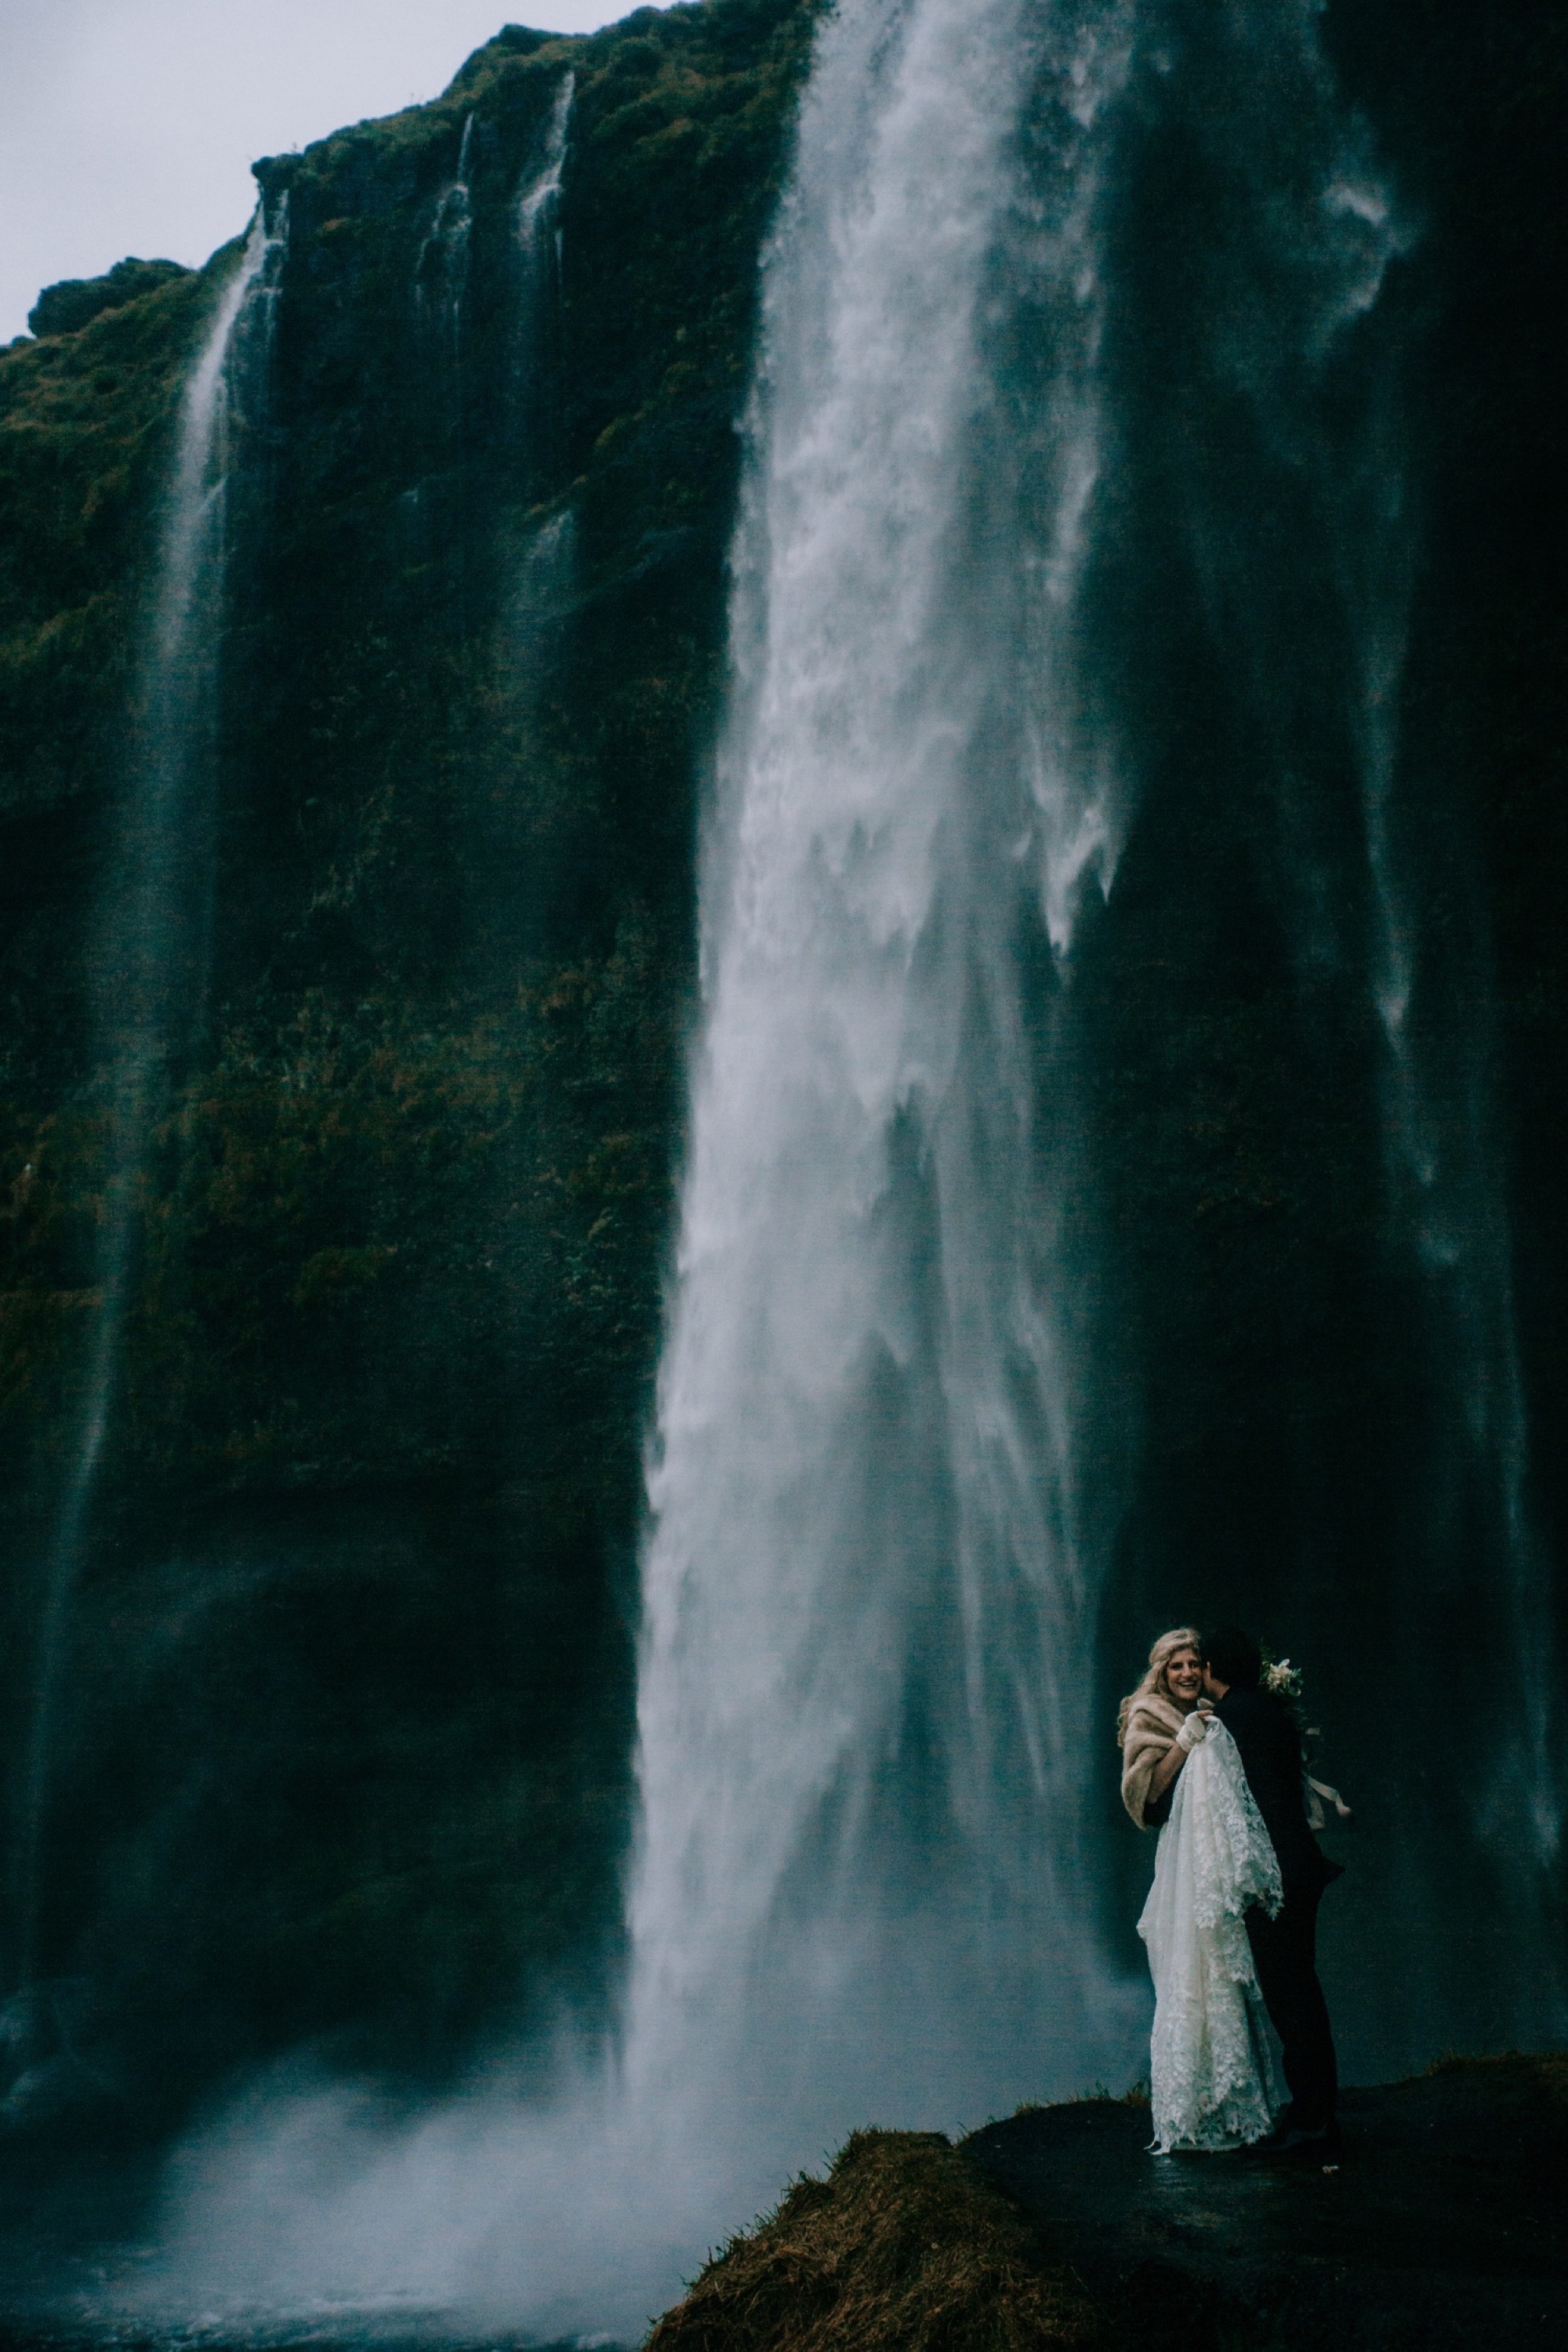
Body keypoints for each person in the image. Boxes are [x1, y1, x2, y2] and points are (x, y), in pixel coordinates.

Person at [1119, 1629, 1283, 2153]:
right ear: (1161, 1672)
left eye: (1194, 1664)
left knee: (1221, 1969)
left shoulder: (1219, 1711)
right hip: (1182, 1859)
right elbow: (1146, 1798)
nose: (1188, 1674)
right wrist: (1186, 1743)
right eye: (1177, 1667)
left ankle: (1232, 2101)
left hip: (1213, 1858)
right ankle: (1191, 2106)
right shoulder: (1149, 1717)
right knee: (1188, 1968)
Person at [1200, 1624, 1341, 2157]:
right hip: (1301, 1865)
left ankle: (1312, 2122)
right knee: (1303, 1990)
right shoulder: (1272, 1712)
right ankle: (1315, 2111)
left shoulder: (1227, 1723)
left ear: (1211, 1670)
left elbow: (1222, 1804)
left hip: (1272, 1875)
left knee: (1291, 1999)